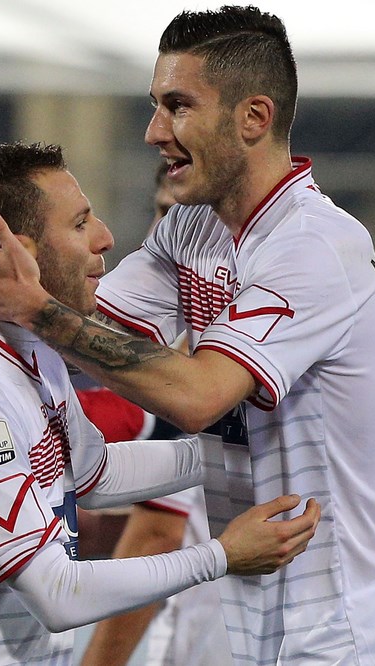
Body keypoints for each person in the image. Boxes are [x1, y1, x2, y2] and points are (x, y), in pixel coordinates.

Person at [0, 4, 375, 665]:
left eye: (178, 106)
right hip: (274, 614)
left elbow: (197, 395)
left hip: (365, 626)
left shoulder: (316, 248)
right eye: (155, 105)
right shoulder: (194, 228)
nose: (155, 131)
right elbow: (91, 321)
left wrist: (33, 307)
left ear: (253, 119)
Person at [0, 141, 321, 665]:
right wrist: (222, 556)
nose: (106, 238)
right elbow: (55, 593)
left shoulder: (26, 348)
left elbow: (94, 472)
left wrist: (248, 454)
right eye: (81, 223)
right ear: (21, 251)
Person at [80, 160, 231, 666]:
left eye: (185, 220)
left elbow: (158, 535)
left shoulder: (206, 374)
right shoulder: (176, 349)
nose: (166, 238)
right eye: (162, 214)